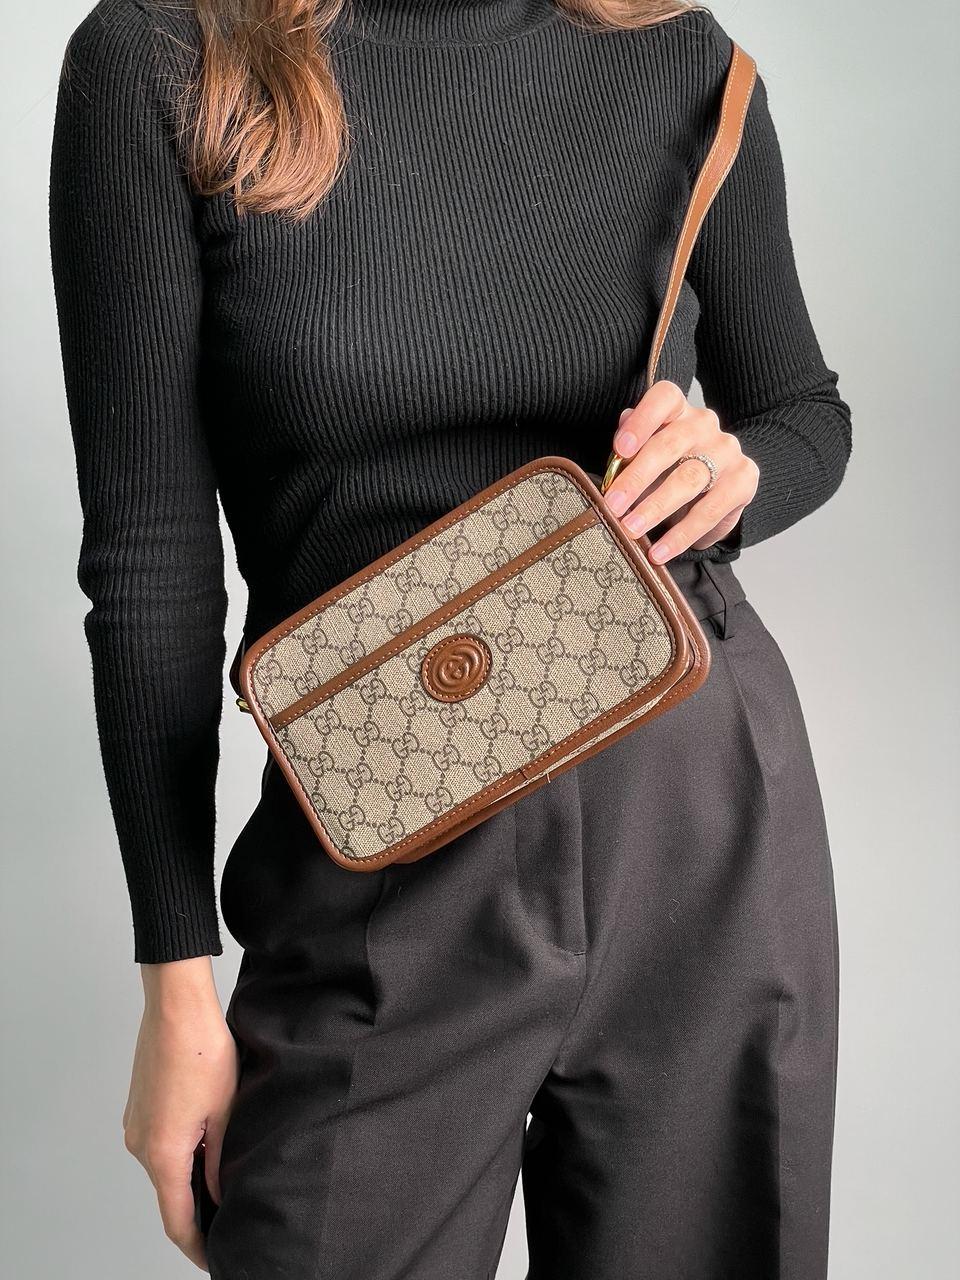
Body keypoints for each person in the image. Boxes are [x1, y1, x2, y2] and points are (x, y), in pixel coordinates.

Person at [48, 0, 851, 1275]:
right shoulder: (163, 60)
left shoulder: (678, 53)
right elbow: (150, 561)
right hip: (388, 822)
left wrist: (733, 470)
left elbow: (803, 408)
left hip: (693, 809)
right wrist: (178, 984)